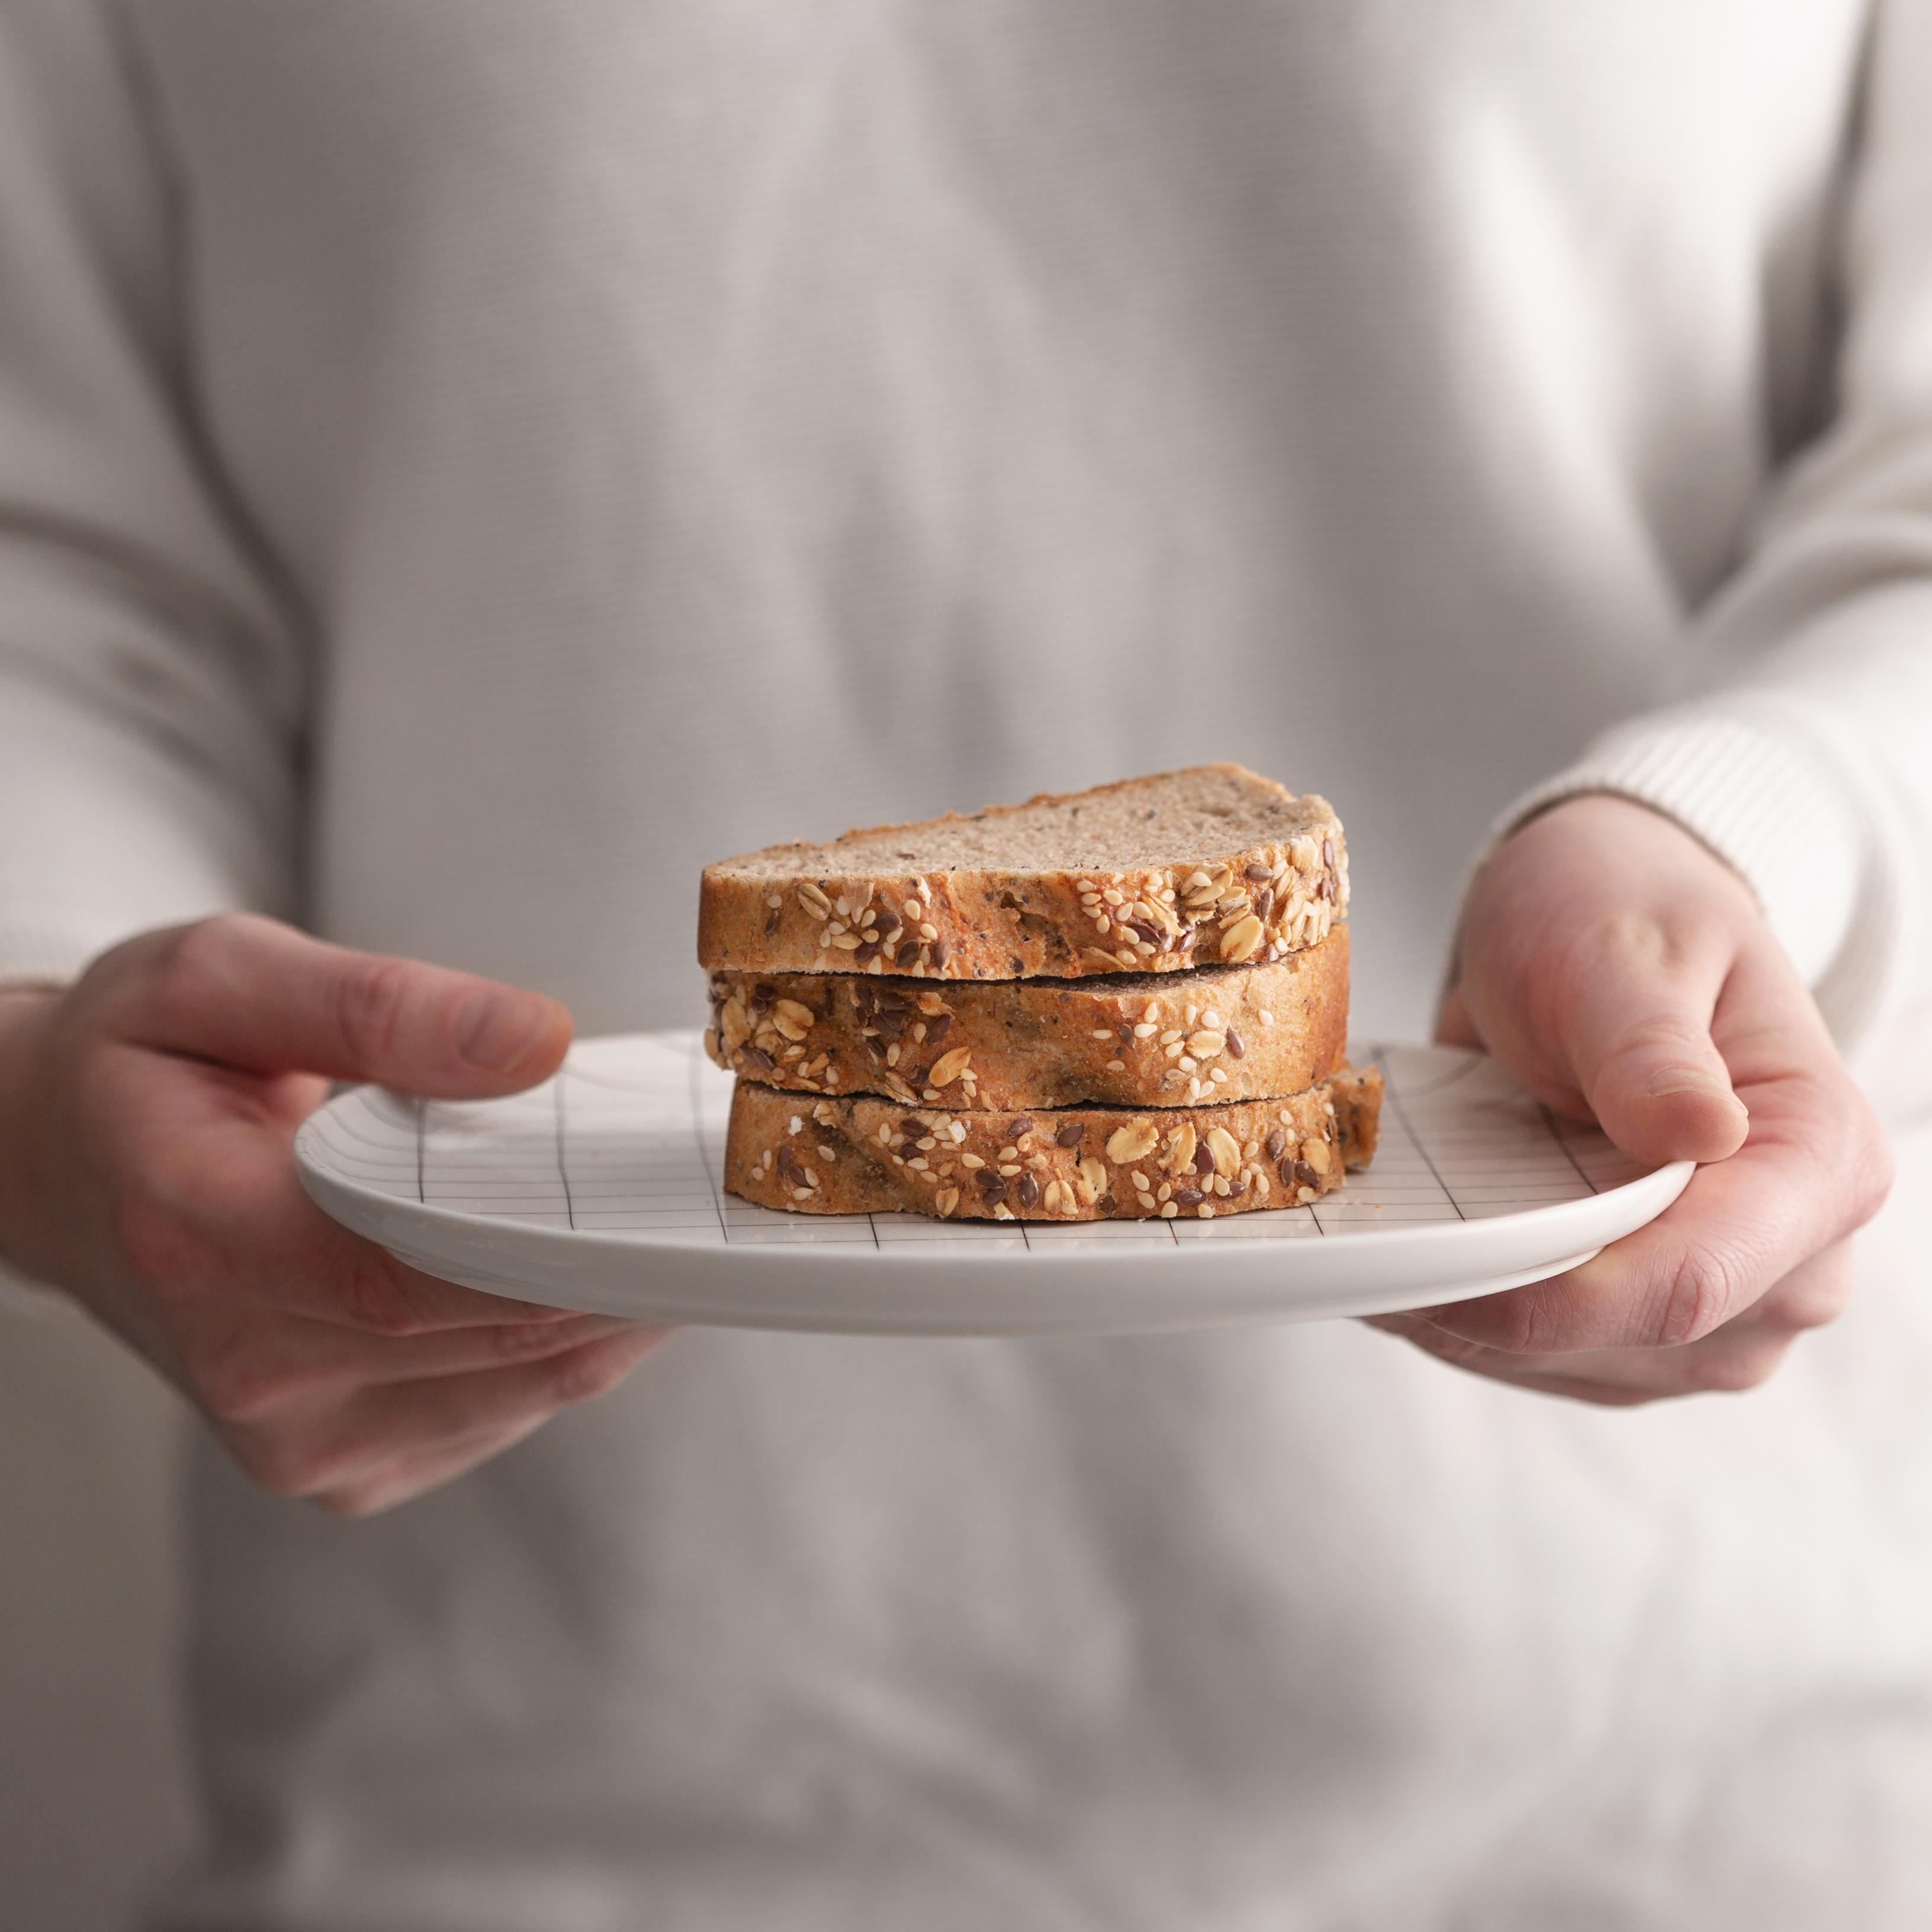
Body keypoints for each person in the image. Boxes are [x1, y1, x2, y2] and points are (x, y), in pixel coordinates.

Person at [1, 2, 1928, 1924]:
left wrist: (1740, 828)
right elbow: (54, 566)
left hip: (1686, 1814)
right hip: (504, 1818)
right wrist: (39, 1055)